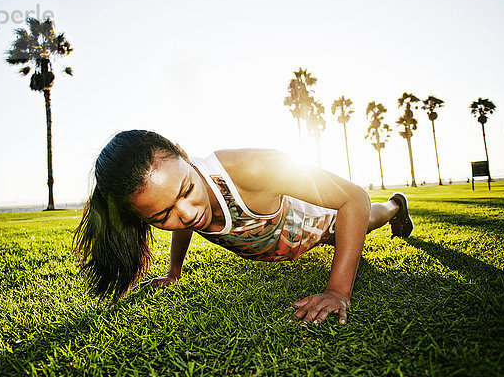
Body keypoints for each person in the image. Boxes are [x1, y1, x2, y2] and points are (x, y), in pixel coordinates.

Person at [73, 130, 414, 325]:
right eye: (162, 217)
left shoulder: (249, 168)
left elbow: (353, 197)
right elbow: (184, 221)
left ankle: (396, 206)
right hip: (293, 243)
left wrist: (338, 291)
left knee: (366, 219)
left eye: (186, 191)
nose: (187, 214)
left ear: (184, 155)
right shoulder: (180, 207)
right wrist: (174, 271)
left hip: (327, 217)